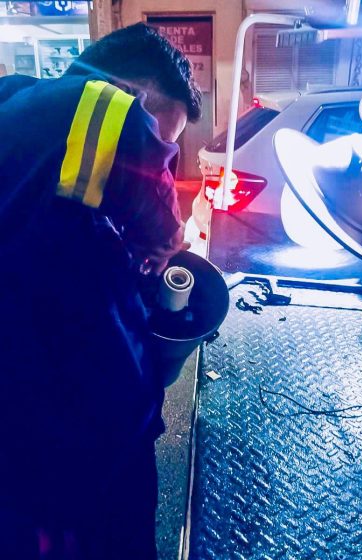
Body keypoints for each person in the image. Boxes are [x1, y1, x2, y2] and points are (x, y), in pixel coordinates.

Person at [0, 22, 201, 559]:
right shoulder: (96, 103)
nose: (163, 154)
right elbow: (160, 218)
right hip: (78, 448)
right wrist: (166, 241)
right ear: (130, 93)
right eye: (165, 139)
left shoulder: (17, 104)